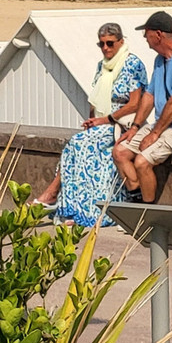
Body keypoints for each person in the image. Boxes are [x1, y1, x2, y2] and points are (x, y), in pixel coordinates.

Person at [34, 23, 148, 225]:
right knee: (77, 145)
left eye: (110, 43)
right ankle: (71, 205)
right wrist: (92, 121)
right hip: (103, 121)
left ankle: (54, 195)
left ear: (121, 42)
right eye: (102, 44)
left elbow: (135, 103)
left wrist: (106, 120)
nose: (106, 48)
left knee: (77, 144)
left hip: (120, 122)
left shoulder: (132, 64)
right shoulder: (102, 66)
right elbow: (95, 99)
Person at [113, 11, 172, 203]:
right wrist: (135, 127)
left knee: (142, 162)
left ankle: (146, 214)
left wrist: (154, 134)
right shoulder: (160, 60)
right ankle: (136, 196)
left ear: (158, 35)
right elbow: (149, 95)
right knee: (120, 152)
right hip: (163, 124)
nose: (145, 39)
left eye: (146, 33)